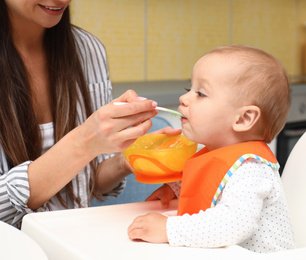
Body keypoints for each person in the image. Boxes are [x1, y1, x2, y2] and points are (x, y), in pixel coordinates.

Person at [0, 0, 180, 228]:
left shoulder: (87, 49)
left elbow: (89, 184)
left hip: (75, 239)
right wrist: (85, 141)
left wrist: (127, 159)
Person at [127, 45, 295, 253]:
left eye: (201, 94)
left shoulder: (251, 168)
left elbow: (232, 224)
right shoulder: (218, 154)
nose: (184, 98)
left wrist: (168, 228)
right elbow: (215, 187)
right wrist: (176, 190)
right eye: (188, 90)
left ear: (243, 119)